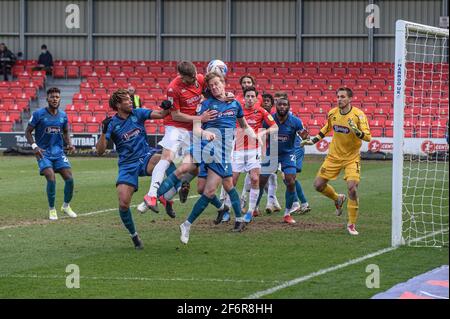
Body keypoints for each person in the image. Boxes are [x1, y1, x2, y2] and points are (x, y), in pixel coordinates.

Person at [179, 71, 258, 244]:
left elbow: (244, 126)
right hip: (209, 150)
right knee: (206, 190)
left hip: (224, 152)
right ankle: (189, 222)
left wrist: (256, 137)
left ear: (223, 83)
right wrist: (205, 133)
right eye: (212, 85)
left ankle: (237, 218)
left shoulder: (234, 103)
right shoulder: (205, 104)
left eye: (217, 83)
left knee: (223, 186)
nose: (215, 87)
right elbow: (197, 129)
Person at [95, 89, 173, 249]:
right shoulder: (112, 123)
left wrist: (167, 106)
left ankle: (167, 196)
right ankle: (134, 236)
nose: (131, 102)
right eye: (127, 100)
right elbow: (100, 151)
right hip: (127, 165)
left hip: (145, 156)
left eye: (131, 99)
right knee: (123, 204)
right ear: (118, 104)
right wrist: (103, 131)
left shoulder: (138, 113)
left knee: (165, 160)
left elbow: (161, 114)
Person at [137, 61, 217, 213]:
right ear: (181, 76)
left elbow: (211, 93)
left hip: (193, 128)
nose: (194, 80)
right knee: (166, 158)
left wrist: (226, 96)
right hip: (176, 126)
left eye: (195, 76)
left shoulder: (199, 79)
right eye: (190, 78)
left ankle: (166, 197)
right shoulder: (173, 88)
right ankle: (151, 195)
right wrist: (200, 118)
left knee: (194, 169)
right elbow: (176, 115)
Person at [301, 87, 371, 235]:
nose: (339, 99)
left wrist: (357, 131)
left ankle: (351, 224)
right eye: (338, 96)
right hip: (333, 157)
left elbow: (367, 137)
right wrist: (313, 140)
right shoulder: (332, 113)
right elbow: (327, 128)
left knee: (352, 188)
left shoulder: (359, 115)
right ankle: (337, 198)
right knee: (318, 185)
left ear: (350, 99)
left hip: (352, 158)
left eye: (343, 97)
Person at [222, 87, 278, 223]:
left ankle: (250, 211)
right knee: (232, 180)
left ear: (256, 98)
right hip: (238, 150)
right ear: (244, 97)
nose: (250, 99)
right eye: (248, 96)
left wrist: (262, 133)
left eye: (253, 96)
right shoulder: (237, 109)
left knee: (254, 179)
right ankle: (227, 210)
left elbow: (275, 127)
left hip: (254, 150)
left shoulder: (261, 111)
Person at [25, 87, 77, 220]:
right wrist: (35, 146)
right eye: (52, 97)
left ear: (60, 99)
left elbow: (65, 132)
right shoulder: (38, 114)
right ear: (47, 98)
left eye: (57, 97)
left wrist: (69, 144)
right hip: (43, 153)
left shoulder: (63, 115)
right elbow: (28, 132)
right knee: (51, 177)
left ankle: (66, 206)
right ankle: (52, 209)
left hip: (59, 153)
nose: (55, 99)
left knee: (70, 179)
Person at [257, 96, 308, 224]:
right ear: (276, 106)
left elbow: (303, 134)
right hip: (272, 152)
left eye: (285, 105)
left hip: (288, 153)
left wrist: (305, 135)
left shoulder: (295, 121)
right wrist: (262, 151)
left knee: (290, 181)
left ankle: (287, 214)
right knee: (261, 181)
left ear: (289, 107)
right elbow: (263, 134)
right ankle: (254, 208)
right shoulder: (269, 119)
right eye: (280, 104)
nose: (282, 107)